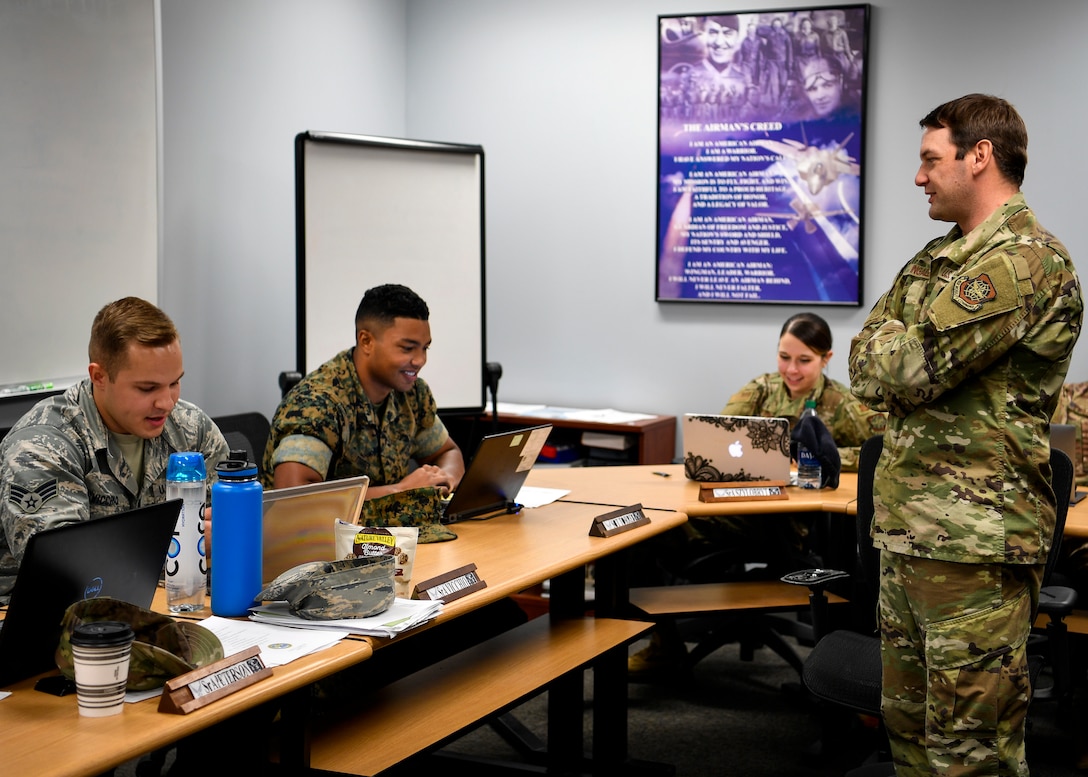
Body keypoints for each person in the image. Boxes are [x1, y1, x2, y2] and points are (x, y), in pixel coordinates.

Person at [849, 94, 1082, 775]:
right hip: (911, 533)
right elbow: (863, 359)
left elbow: (910, 367)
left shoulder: (1025, 261)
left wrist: (897, 342)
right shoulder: (936, 259)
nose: (918, 177)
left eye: (930, 159)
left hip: (975, 548)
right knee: (909, 734)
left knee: (971, 751)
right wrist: (893, 344)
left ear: (979, 156)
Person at [0, 297, 230, 602]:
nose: (167, 402)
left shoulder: (191, 429)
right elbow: (63, 573)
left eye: (174, 383)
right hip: (49, 625)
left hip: (164, 606)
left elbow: (234, 531)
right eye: (147, 389)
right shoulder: (42, 445)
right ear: (99, 377)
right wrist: (182, 542)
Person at [263, 284, 465, 524]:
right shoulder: (318, 402)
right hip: (310, 549)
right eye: (408, 348)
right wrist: (402, 491)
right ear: (366, 341)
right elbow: (294, 500)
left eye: (425, 348)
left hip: (382, 542)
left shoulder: (411, 394)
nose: (420, 360)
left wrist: (444, 479)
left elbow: (448, 452)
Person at [723, 312, 885, 472]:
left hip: (818, 491)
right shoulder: (760, 390)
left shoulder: (844, 404)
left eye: (804, 360)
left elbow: (884, 450)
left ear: (826, 358)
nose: (792, 370)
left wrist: (821, 455)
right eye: (784, 357)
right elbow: (719, 433)